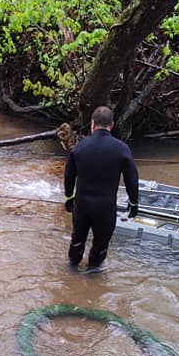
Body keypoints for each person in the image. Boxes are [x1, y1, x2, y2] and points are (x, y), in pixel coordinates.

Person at [64, 105, 139, 272]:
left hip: (82, 206)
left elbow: (69, 176)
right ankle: (93, 282)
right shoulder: (121, 149)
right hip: (105, 208)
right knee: (99, 247)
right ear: (111, 125)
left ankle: (71, 274)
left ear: (92, 124)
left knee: (77, 241)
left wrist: (68, 198)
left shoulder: (79, 147)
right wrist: (134, 203)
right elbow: (132, 180)